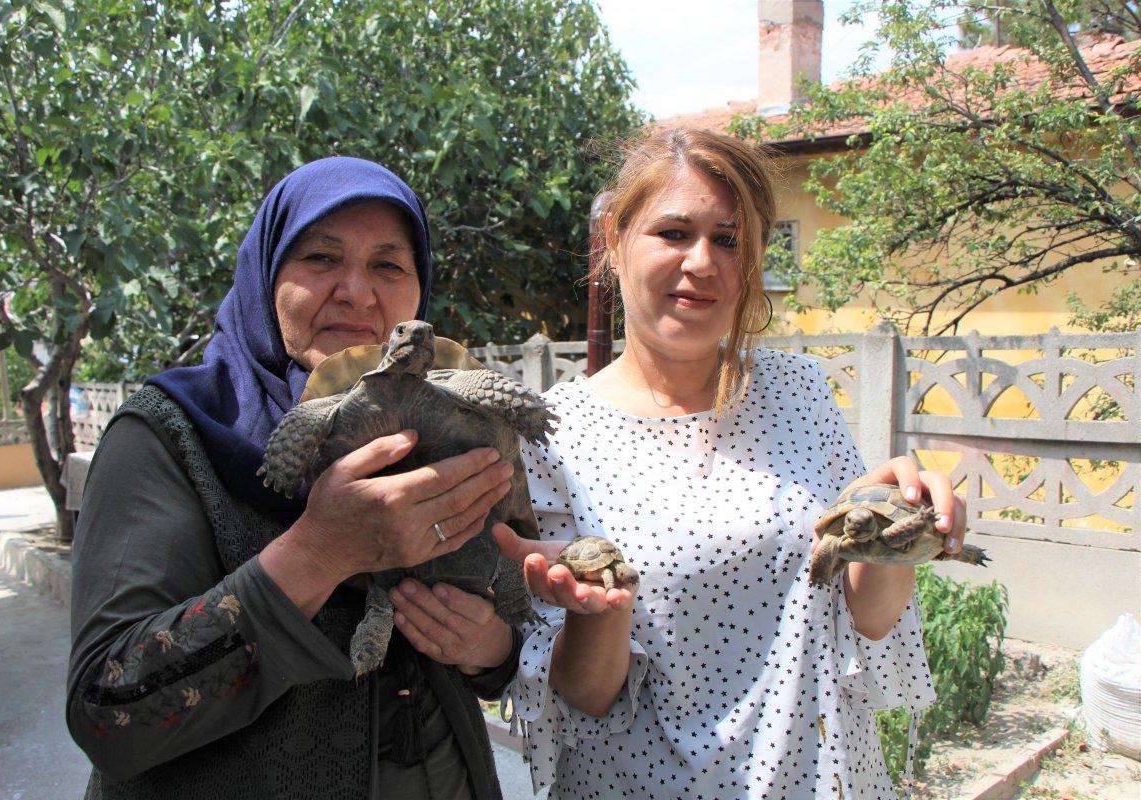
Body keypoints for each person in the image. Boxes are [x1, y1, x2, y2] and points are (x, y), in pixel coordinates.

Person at [487, 128, 967, 799]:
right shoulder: (553, 435)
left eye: (729, 240)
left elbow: (869, 617)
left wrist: (899, 535)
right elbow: (587, 697)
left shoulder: (800, 391)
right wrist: (601, 610)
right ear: (616, 242)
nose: (703, 262)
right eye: (675, 232)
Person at [66, 157, 521, 800]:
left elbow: (505, 632)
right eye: (321, 258)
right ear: (266, 275)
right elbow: (106, 712)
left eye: (389, 265)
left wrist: (490, 648)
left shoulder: (442, 424)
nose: (358, 292)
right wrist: (319, 551)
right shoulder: (174, 433)